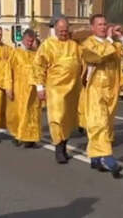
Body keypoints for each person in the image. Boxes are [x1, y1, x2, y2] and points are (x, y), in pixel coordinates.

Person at [80, 15, 123, 177]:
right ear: (93, 27)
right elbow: (98, 56)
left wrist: (121, 36)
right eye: (99, 25)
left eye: (105, 24)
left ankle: (96, 157)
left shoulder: (113, 43)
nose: (103, 27)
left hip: (111, 90)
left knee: (107, 124)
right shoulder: (88, 44)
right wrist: (111, 40)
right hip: (95, 90)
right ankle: (107, 157)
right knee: (99, 123)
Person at [33, 18, 82, 164]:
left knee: (67, 119)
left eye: (65, 30)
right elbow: (38, 66)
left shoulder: (74, 45)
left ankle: (64, 145)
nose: (63, 33)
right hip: (55, 88)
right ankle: (58, 149)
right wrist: (40, 87)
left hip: (73, 88)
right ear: (55, 29)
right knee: (57, 117)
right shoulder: (48, 45)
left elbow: (84, 59)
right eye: (60, 31)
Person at [4, 29, 40, 148]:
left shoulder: (36, 54)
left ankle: (31, 138)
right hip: (19, 89)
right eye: (28, 41)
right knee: (18, 114)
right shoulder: (16, 53)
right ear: (23, 40)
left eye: (32, 41)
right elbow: (8, 70)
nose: (30, 43)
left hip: (33, 91)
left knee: (33, 115)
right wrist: (8, 87)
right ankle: (17, 135)